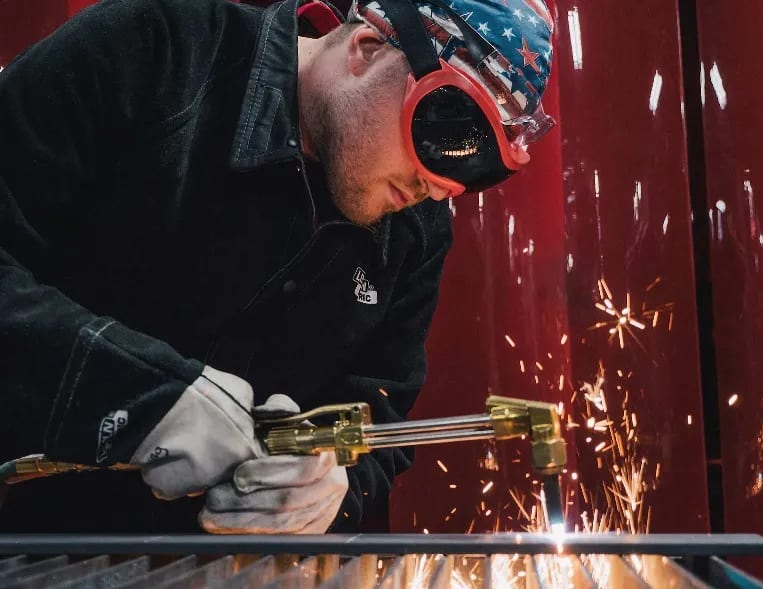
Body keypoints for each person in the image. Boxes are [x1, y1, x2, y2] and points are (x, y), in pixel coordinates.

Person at [0, 0, 554, 534]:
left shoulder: (418, 230)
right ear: (365, 48)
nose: (435, 186)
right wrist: (133, 394)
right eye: (442, 136)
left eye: (474, 171)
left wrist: (336, 485)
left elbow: (380, 413)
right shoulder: (152, 51)